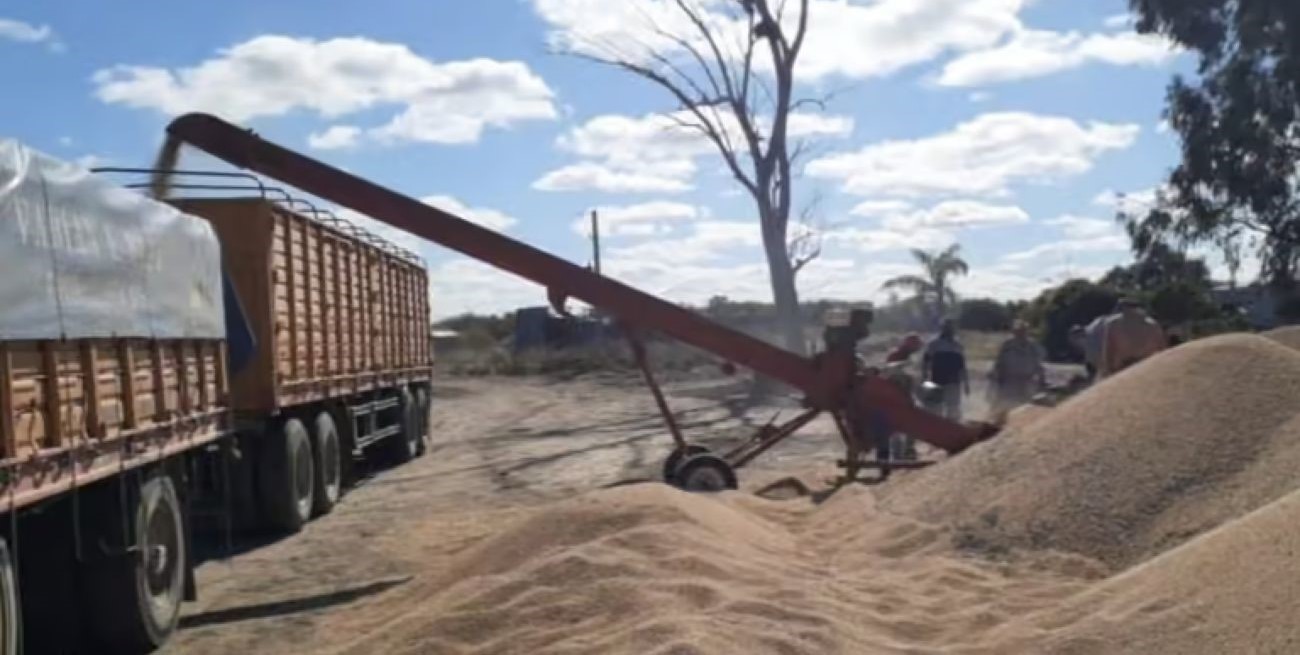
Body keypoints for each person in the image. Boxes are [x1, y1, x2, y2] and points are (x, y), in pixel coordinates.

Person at [989, 320, 1046, 421]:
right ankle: (997, 422)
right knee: (1003, 403)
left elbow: (1038, 363)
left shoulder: (1032, 346)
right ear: (1014, 332)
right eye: (1018, 331)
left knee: (1024, 405)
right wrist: (996, 375)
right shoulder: (1008, 344)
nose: (1021, 333)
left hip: (1026, 381)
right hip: (1009, 380)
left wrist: (1042, 378)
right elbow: (1000, 361)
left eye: (1023, 330)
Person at [1101, 297, 1166, 377]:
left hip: (1128, 366)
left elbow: (1109, 350)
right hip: (1145, 365)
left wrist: (1109, 369)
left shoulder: (1113, 324)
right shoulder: (1152, 324)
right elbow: (1162, 347)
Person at [922, 319, 968, 421]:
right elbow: (926, 361)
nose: (949, 330)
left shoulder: (957, 346)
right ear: (942, 329)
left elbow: (962, 365)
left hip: (953, 382)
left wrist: (966, 383)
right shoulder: (934, 344)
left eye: (951, 328)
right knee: (936, 408)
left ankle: (952, 429)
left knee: (953, 408)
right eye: (947, 328)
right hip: (937, 380)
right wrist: (924, 378)